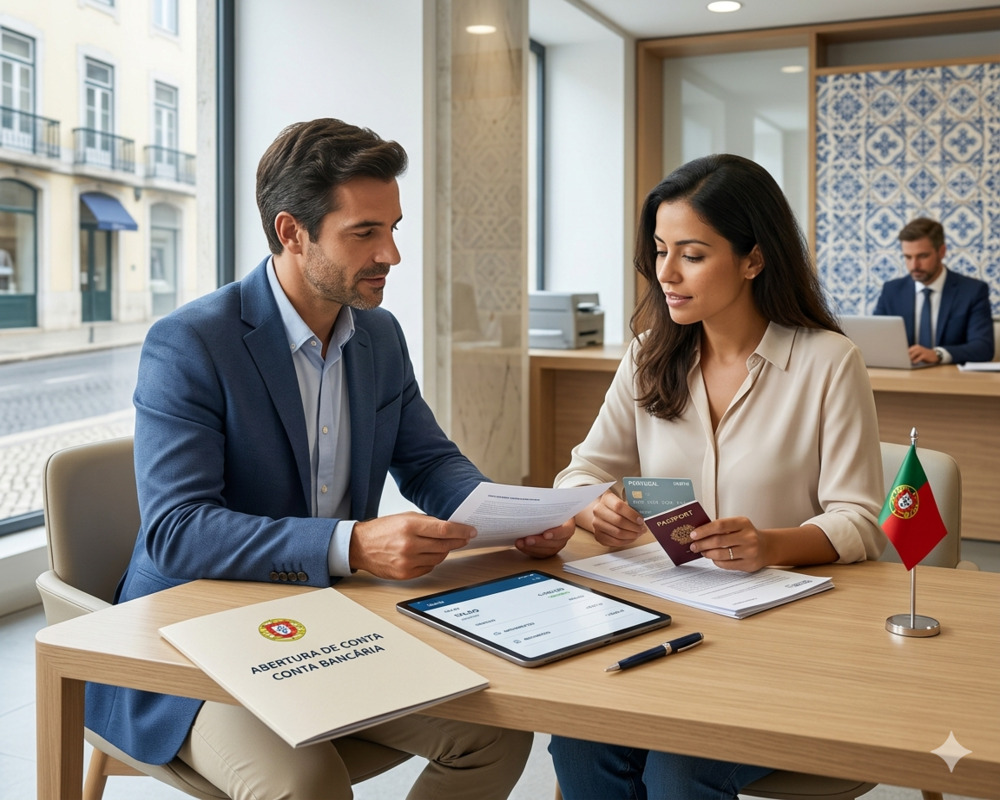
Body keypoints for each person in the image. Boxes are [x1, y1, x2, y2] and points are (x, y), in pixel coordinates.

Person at [86, 117, 573, 800]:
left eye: (394, 228)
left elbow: (431, 464)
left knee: (495, 734)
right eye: (365, 233)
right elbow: (177, 531)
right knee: (306, 783)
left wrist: (506, 517)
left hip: (329, 631)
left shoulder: (378, 335)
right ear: (292, 232)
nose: (392, 254)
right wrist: (355, 544)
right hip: (193, 644)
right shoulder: (191, 342)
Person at [545, 153, 887, 800]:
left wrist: (770, 544)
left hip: (785, 638)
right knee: (580, 737)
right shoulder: (649, 355)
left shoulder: (828, 362)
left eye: (692, 255)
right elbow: (582, 470)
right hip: (665, 619)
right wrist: (590, 506)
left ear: (753, 259)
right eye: (659, 250)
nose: (665, 274)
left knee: (679, 766)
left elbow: (858, 521)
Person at [873, 217, 994, 364]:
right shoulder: (891, 291)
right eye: (908, 257)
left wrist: (938, 354)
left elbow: (983, 348)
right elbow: (876, 341)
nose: (914, 265)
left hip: (951, 380)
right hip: (902, 377)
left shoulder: (973, 291)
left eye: (923, 256)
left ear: (941, 251)